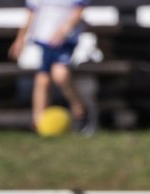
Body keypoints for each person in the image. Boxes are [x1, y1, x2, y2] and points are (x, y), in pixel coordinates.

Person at [8, 0, 92, 133]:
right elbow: (30, 13)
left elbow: (78, 12)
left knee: (60, 75)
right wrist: (20, 39)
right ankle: (37, 123)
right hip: (44, 40)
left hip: (66, 41)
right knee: (42, 79)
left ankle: (80, 111)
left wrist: (64, 29)